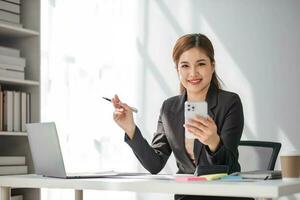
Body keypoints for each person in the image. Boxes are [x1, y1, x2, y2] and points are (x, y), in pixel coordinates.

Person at [112, 33, 251, 200]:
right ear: (177, 69)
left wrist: (214, 142)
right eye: (185, 66)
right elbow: (154, 164)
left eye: (201, 64)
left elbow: (228, 167)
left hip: (224, 196)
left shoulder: (229, 102)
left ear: (212, 66)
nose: (193, 73)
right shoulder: (169, 108)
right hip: (187, 196)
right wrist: (130, 129)